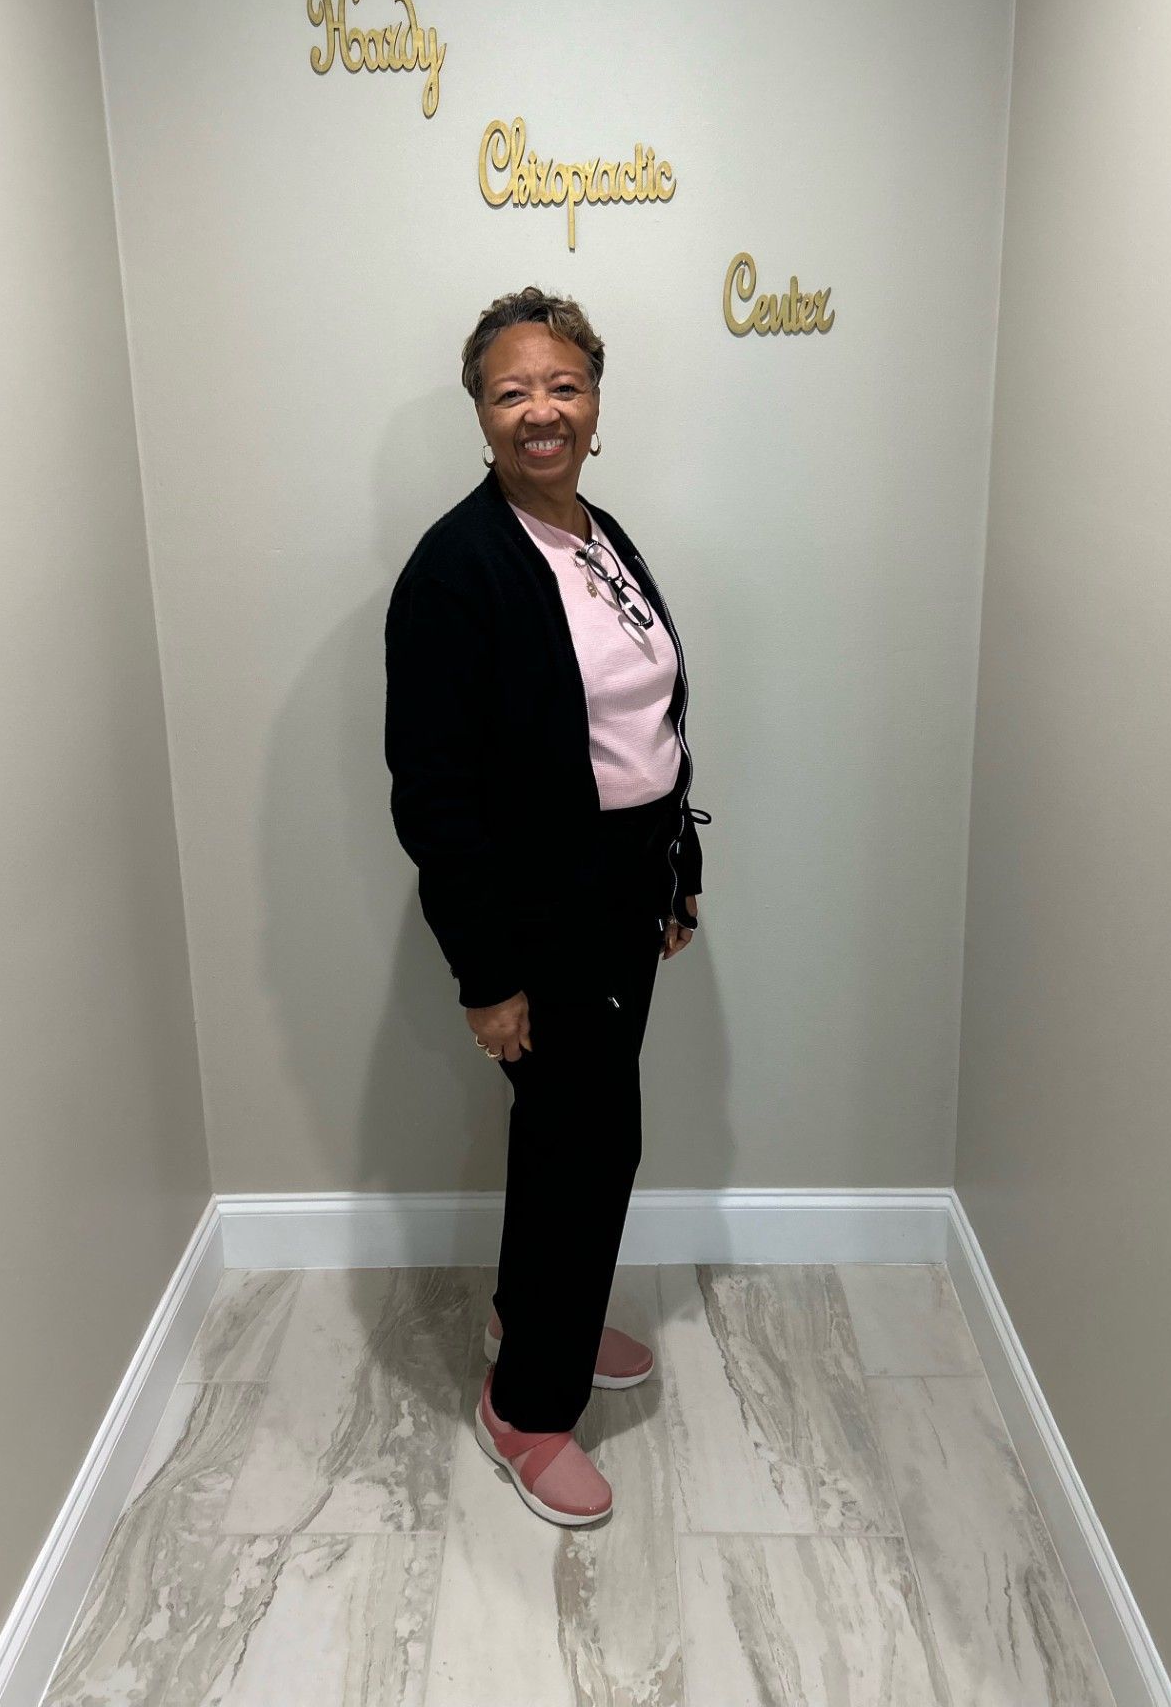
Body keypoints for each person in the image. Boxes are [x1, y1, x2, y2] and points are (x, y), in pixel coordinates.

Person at [383, 286, 711, 1526]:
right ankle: (529, 1405)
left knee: (566, 1139)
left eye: (563, 386)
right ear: (480, 412)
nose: (542, 411)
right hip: (543, 914)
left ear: (594, 403)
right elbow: (435, 795)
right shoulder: (457, 570)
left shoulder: (599, 534)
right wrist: (486, 975)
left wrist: (675, 875)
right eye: (513, 390)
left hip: (627, 889)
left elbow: (651, 718)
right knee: (590, 1144)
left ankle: (545, 1320)